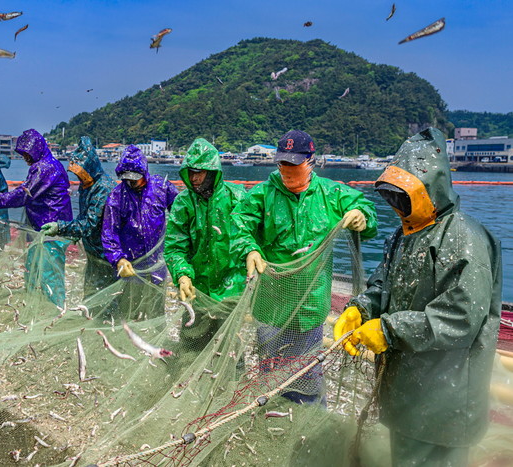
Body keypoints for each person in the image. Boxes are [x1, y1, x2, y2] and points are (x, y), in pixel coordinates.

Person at [334, 128, 501, 467]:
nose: (397, 206)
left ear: (430, 189)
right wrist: (360, 309)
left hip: (447, 397)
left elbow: (462, 317)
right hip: (408, 390)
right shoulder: (404, 234)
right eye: (392, 197)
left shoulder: (464, 238)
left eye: (404, 196)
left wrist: (388, 330)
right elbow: (383, 284)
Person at [230, 129, 377, 403]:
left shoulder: (331, 194)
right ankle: (272, 416)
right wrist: (248, 248)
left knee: (307, 374)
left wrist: (362, 216)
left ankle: (306, 419)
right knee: (272, 372)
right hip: (271, 303)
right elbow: (238, 224)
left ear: (310, 161)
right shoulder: (262, 195)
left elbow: (366, 209)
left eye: (294, 164)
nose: (286, 170)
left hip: (310, 305)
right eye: (282, 163)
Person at [0, 129, 72, 307]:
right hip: (41, 231)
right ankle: (39, 309)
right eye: (22, 154)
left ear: (36, 150)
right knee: (33, 272)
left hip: (52, 232)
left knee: (50, 276)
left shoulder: (45, 167)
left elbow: (24, 195)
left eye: (27, 153)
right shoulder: (44, 165)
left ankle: (55, 311)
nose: (25, 157)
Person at [164, 138, 247, 346]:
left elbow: (249, 236)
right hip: (197, 290)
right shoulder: (184, 203)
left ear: (212, 172)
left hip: (231, 289)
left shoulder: (236, 197)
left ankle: (231, 379)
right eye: (190, 172)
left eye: (199, 172)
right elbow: (175, 247)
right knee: (191, 345)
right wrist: (182, 275)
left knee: (229, 349)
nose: (194, 178)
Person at [101, 144, 178, 316]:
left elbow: (180, 213)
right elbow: (109, 232)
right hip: (130, 265)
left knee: (156, 309)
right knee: (130, 310)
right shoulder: (116, 196)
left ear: (144, 173)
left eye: (135, 178)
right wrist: (118, 258)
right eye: (127, 179)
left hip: (157, 263)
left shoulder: (161, 187)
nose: (131, 182)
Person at [41, 136, 117, 299]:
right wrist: (75, 233)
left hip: (106, 253)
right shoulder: (87, 185)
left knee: (104, 297)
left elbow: (89, 223)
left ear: (91, 167)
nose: (79, 178)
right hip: (93, 250)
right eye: (77, 174)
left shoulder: (103, 188)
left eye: (82, 173)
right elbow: (83, 216)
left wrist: (61, 227)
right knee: (91, 293)